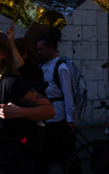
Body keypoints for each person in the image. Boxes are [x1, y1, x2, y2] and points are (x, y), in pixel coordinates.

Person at [0, 30, 55, 173]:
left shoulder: (11, 84)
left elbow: (49, 110)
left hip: (6, 166)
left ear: (2, 54)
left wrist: (18, 112)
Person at [35, 30, 76, 171]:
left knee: (66, 155)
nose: (38, 52)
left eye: (41, 49)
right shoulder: (41, 65)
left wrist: (70, 118)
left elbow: (68, 94)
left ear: (51, 47)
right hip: (46, 117)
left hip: (58, 118)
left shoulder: (61, 67)